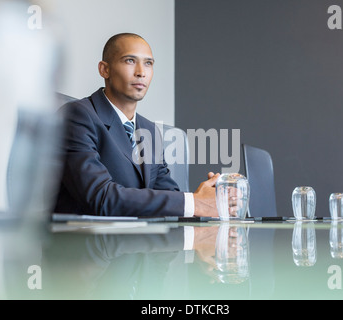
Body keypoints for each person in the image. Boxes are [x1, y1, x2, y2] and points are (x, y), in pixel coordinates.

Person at [54, 33, 219, 217]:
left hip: (138, 243)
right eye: (130, 61)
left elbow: (168, 197)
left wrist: (207, 197)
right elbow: (100, 198)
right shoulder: (77, 116)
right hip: (82, 242)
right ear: (104, 70)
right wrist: (193, 203)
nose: (141, 72)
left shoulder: (150, 131)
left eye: (148, 63)